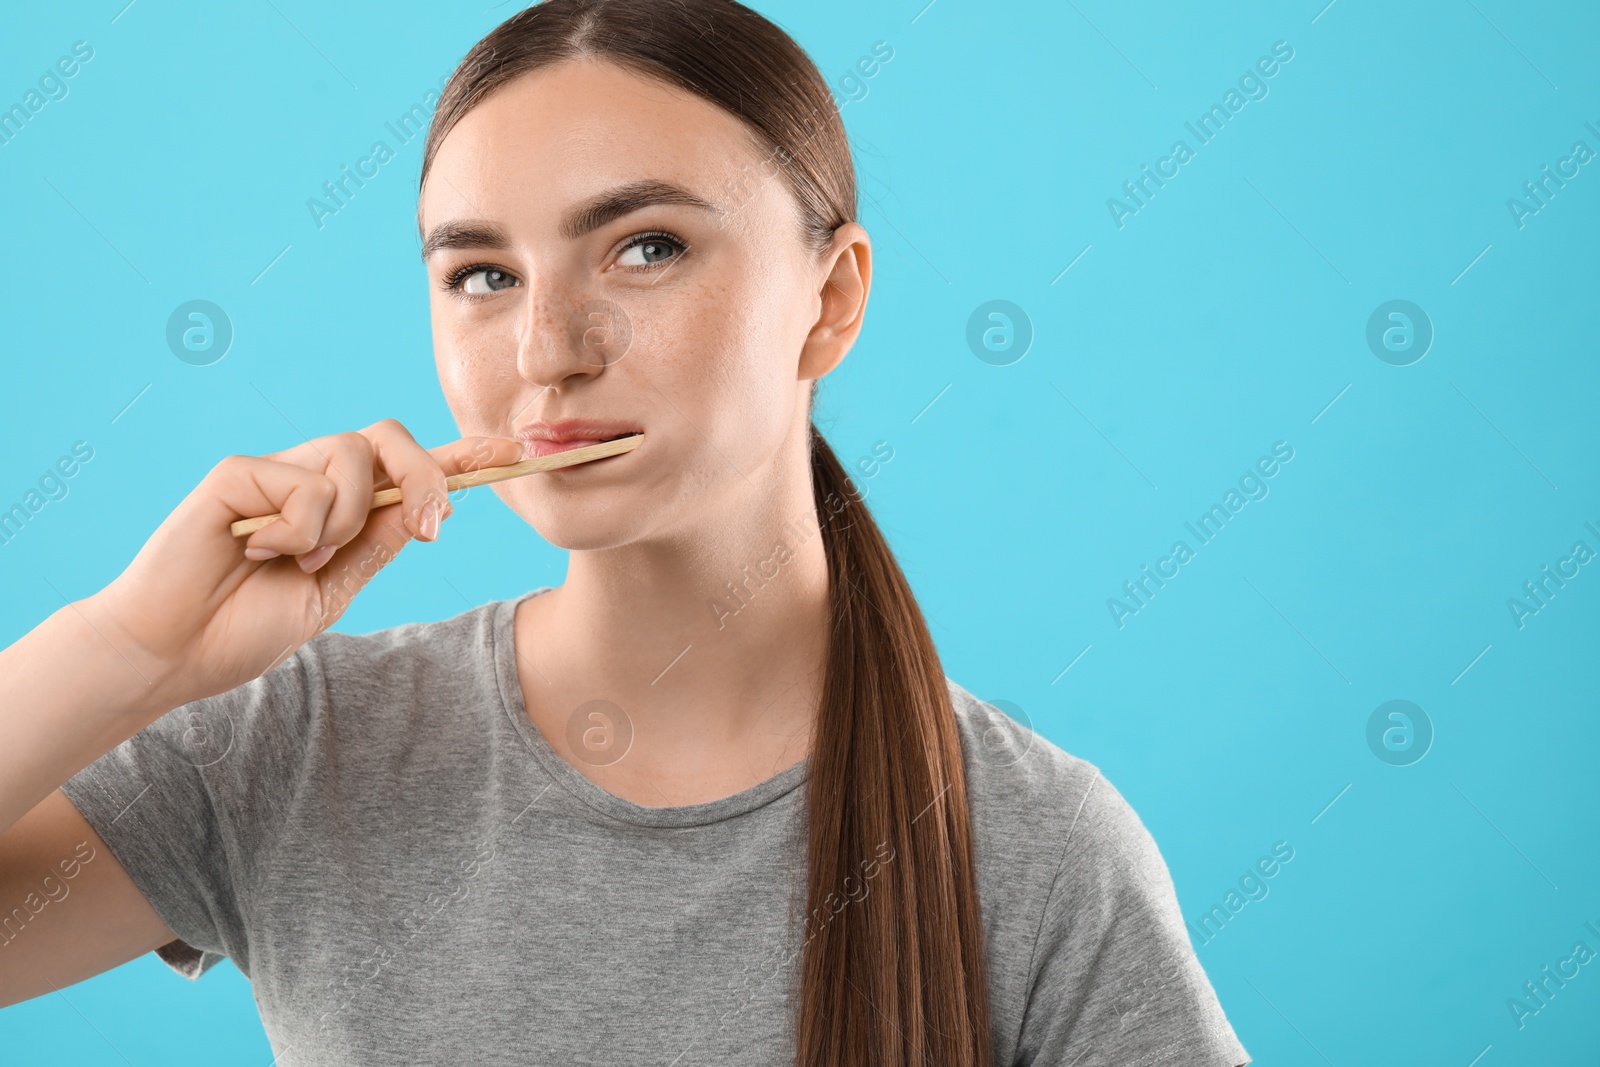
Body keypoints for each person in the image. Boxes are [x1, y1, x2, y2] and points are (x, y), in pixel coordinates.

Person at [0, 1, 1251, 1063]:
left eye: (646, 248)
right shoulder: (295, 742)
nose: (548, 351)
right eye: (481, 275)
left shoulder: (1036, 846)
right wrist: (131, 649)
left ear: (832, 299)